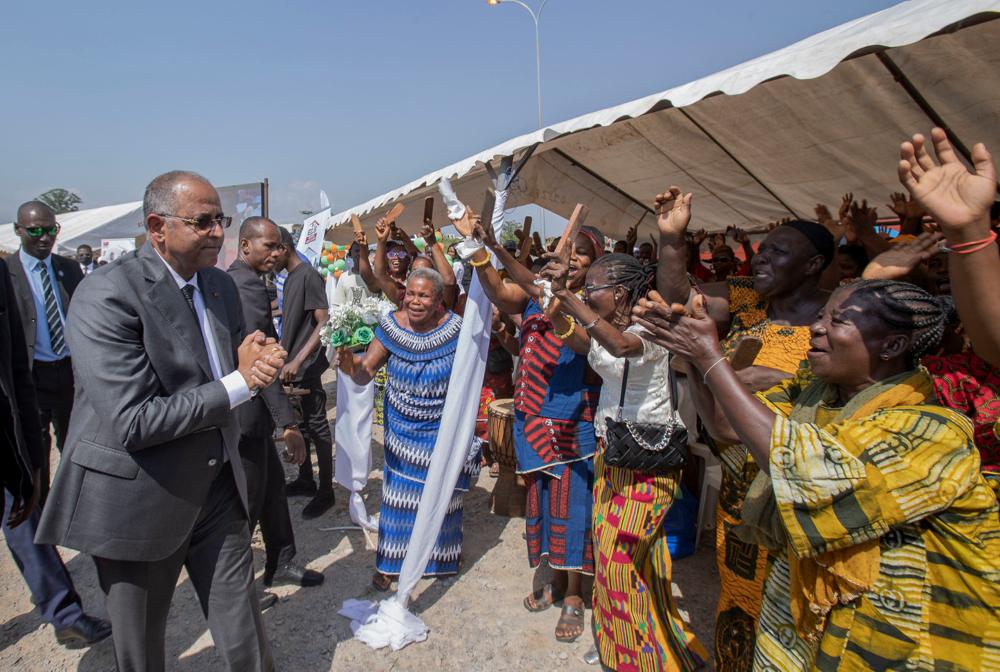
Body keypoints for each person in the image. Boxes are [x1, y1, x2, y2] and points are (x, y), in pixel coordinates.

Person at [634, 279, 1000, 671]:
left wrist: (710, 357)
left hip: (895, 642)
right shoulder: (811, 396)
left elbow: (807, 469)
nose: (817, 329)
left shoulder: (931, 432)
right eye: (822, 317)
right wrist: (691, 355)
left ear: (892, 346)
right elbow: (727, 427)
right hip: (799, 629)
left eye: (838, 321)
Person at [36, 170, 285, 671]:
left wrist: (249, 356)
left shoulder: (218, 285)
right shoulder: (107, 295)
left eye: (222, 219)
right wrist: (241, 381)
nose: (219, 232)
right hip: (139, 497)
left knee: (244, 638)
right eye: (204, 222)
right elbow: (135, 421)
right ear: (157, 227)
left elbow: (225, 361)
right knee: (143, 650)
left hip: (217, 488)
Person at [655, 185, 833, 669]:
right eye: (763, 248)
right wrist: (672, 242)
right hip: (738, 497)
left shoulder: (836, 321)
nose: (761, 260)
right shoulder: (747, 302)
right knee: (738, 602)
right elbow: (678, 302)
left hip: (800, 506)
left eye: (778, 252)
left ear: (814, 265)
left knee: (795, 623)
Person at [540, 251, 708, 670]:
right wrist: (557, 308)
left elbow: (620, 347)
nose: (585, 293)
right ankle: (633, 648)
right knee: (637, 564)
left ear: (617, 293)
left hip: (649, 464)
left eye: (590, 288)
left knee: (616, 566)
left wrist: (565, 294)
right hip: (613, 453)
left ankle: (645, 661)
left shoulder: (652, 326)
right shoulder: (606, 325)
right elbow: (587, 343)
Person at [468, 217, 604, 643]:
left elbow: (585, 345)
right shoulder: (534, 298)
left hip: (570, 419)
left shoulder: (594, 305)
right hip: (531, 417)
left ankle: (577, 594)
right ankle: (556, 577)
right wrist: (481, 250)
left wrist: (559, 295)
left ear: (594, 264)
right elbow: (499, 289)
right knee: (543, 503)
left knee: (574, 505)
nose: (570, 258)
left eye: (581, 253)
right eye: (566, 250)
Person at [337, 268, 475, 590]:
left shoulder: (457, 330)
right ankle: (392, 562)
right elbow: (365, 371)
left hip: (441, 431)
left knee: (442, 494)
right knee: (398, 499)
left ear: (439, 299)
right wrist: (349, 366)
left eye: (424, 295)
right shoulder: (391, 327)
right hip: (401, 432)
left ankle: (441, 558)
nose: (415, 301)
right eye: (411, 294)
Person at [0, 255, 111, 649]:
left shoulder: (58, 270)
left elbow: (13, 365)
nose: (43, 238)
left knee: (23, 516)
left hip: (42, 393)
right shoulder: (10, 270)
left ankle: (64, 613)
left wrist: (29, 448)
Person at [227, 217, 324, 594]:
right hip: (247, 412)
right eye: (268, 246)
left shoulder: (239, 279)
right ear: (245, 246)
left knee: (270, 491)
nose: (276, 252)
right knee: (246, 504)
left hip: (249, 411)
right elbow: (261, 362)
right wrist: (289, 423)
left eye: (279, 246)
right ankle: (235, 589)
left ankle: (281, 560)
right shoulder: (246, 285)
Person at [6, 201, 84, 502]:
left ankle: (75, 501)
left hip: (68, 371)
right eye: (35, 231)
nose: (44, 238)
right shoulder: (6, 273)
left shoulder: (69, 269)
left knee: (75, 440)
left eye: (50, 230)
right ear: (18, 230)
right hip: (30, 374)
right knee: (36, 445)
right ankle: (40, 505)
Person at [274, 227, 335, 519]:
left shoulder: (308, 274)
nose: (269, 256)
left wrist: (298, 359)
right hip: (291, 368)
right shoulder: (289, 278)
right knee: (301, 427)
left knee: (318, 428)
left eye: (273, 249)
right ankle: (305, 479)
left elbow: (323, 321)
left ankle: (326, 491)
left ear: (285, 247)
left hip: (307, 368)